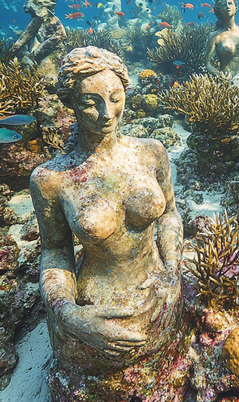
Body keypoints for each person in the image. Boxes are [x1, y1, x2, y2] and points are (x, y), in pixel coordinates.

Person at [30, 46, 183, 375]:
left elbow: (170, 213)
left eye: (115, 98)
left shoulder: (152, 152)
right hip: (94, 315)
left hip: (161, 296)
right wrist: (69, 315)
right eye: (90, 102)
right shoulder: (51, 180)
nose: (106, 113)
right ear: (70, 103)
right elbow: (56, 250)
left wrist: (173, 270)